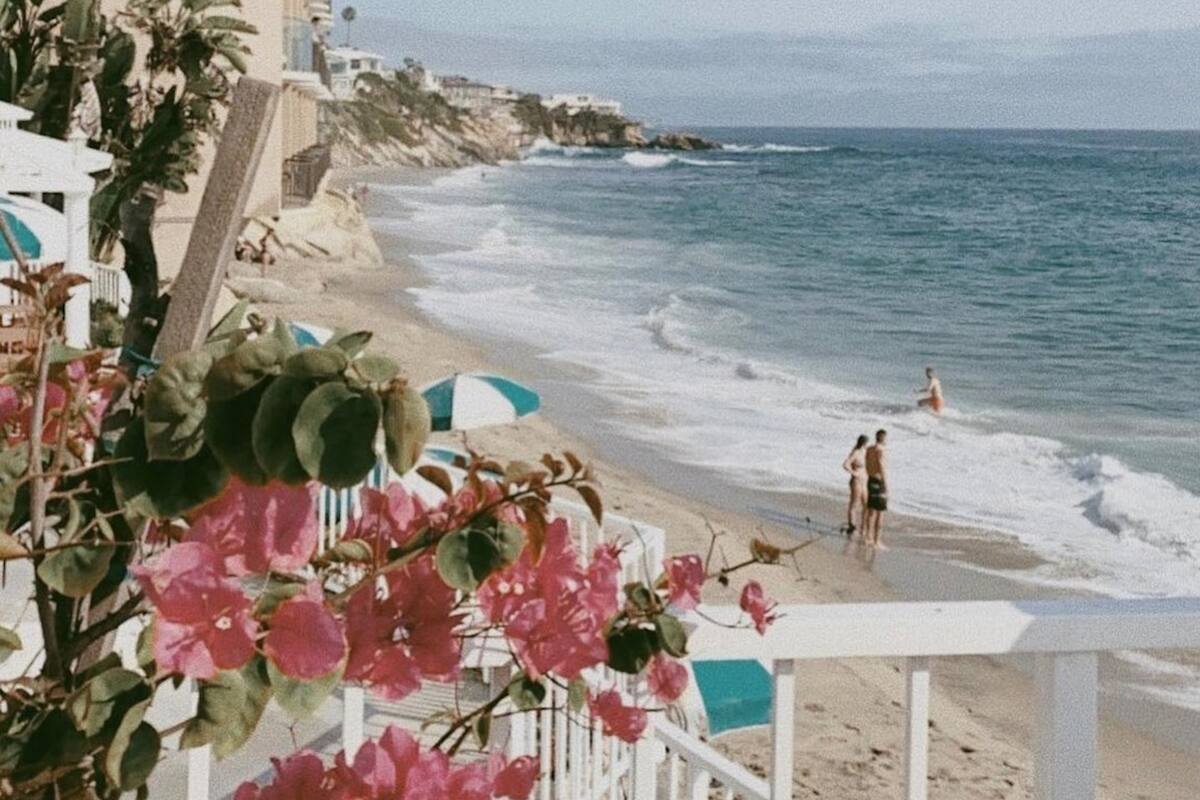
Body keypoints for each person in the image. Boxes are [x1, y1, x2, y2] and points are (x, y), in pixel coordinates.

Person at [841, 435, 870, 536]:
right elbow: (845, 464)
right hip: (856, 481)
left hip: (865, 481)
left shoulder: (865, 452)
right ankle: (851, 525)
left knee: (866, 504)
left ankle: (863, 527)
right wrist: (853, 472)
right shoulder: (856, 452)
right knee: (854, 503)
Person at [864, 429, 888, 548]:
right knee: (880, 512)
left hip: (870, 479)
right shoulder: (880, 450)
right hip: (879, 481)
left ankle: (868, 537)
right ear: (883, 438)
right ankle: (877, 540)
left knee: (871, 510)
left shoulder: (869, 449)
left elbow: (867, 463)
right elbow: (881, 465)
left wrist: (869, 474)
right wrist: (886, 484)